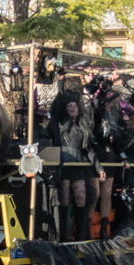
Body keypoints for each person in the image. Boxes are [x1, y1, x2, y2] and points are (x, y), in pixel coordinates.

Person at [54, 99, 101, 241]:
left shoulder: (82, 127)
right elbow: (58, 104)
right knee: (64, 201)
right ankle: (62, 236)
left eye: (75, 105)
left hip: (78, 166)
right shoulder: (61, 124)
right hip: (65, 166)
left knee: (81, 200)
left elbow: (88, 150)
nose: (73, 108)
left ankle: (80, 235)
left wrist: (99, 168)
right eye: (70, 105)